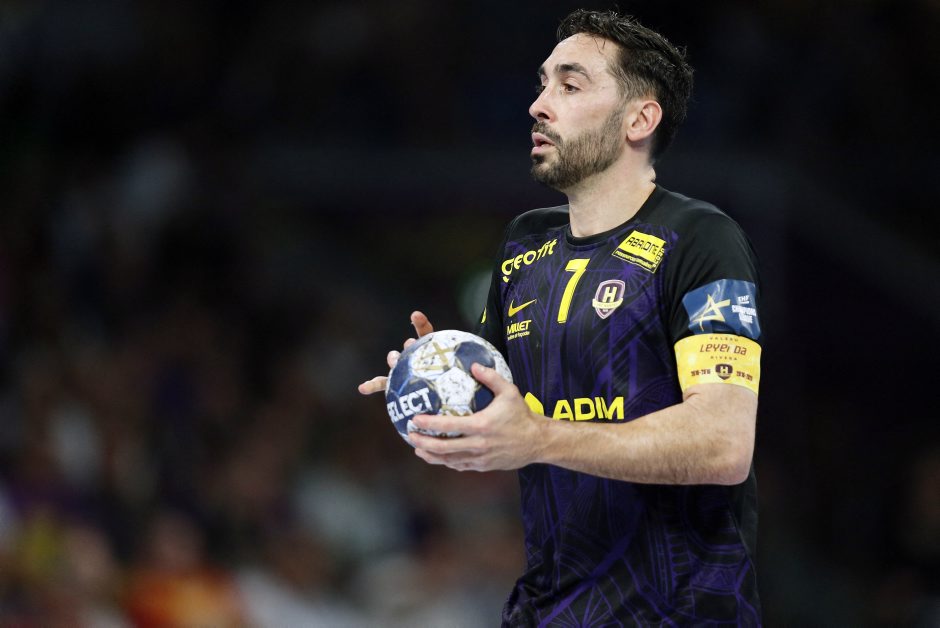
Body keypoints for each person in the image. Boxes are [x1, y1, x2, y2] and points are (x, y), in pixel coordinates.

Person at [359, 8, 763, 625]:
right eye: (543, 83)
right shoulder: (524, 245)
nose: (538, 105)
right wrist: (439, 390)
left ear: (639, 119)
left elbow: (723, 443)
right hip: (548, 608)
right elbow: (504, 424)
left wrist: (541, 437)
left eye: (570, 86)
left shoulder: (702, 239)